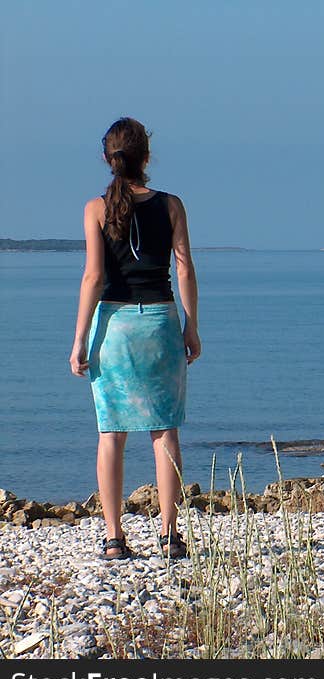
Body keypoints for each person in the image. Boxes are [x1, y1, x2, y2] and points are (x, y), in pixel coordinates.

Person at [69, 117, 201, 560]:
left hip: (115, 327)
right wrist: (191, 324)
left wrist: (79, 339)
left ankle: (113, 538)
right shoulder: (171, 205)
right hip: (160, 323)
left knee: (112, 433)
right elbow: (183, 268)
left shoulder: (96, 209)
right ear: (146, 157)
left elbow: (93, 277)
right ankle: (168, 535)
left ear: (109, 160)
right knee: (165, 432)